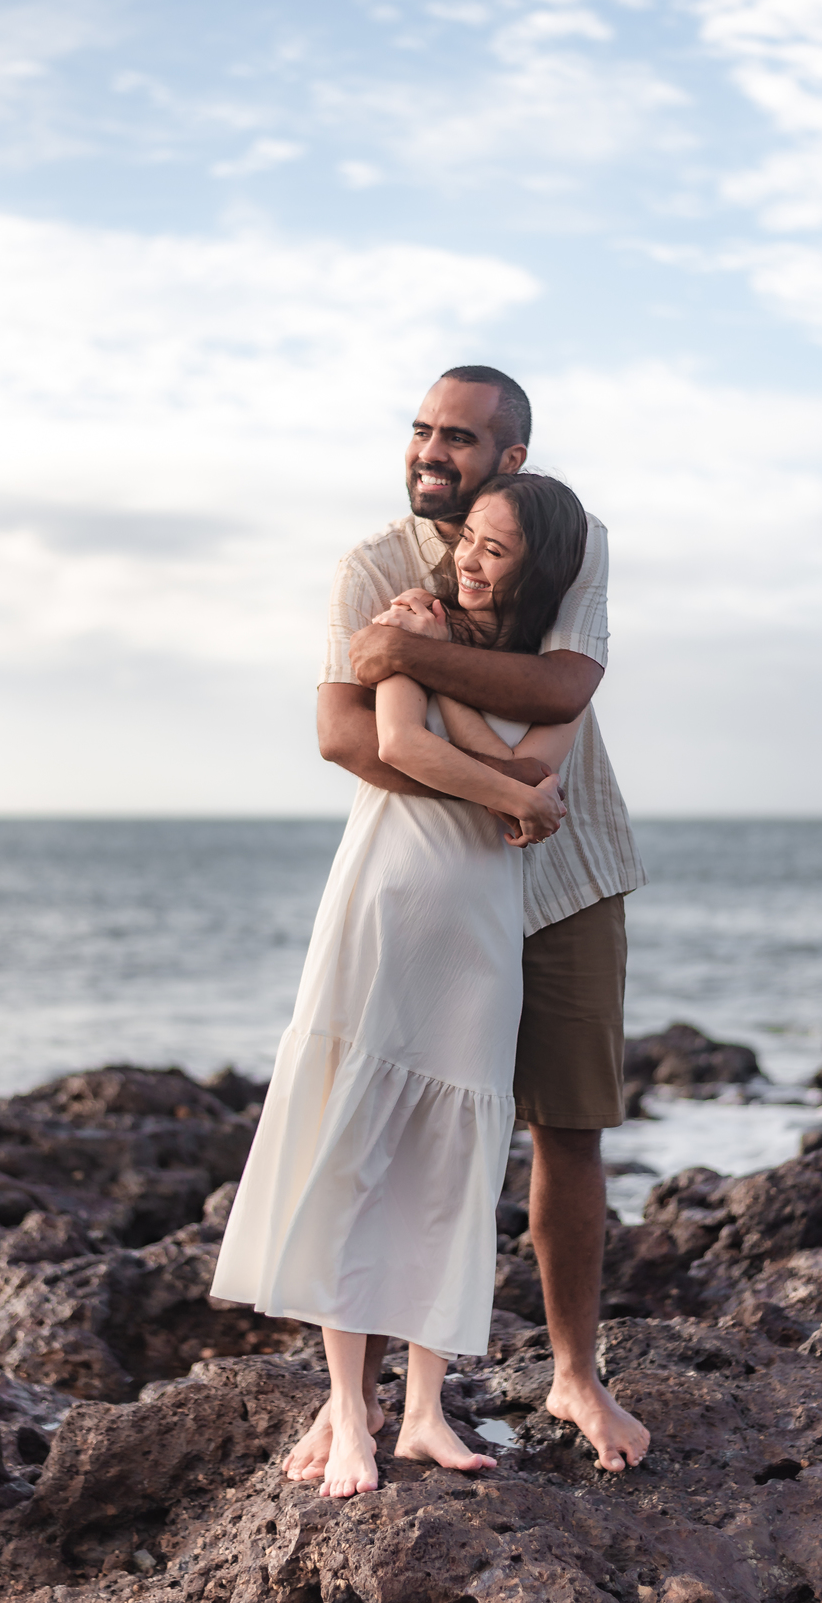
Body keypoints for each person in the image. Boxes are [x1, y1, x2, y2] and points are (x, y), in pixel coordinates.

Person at [282, 366, 649, 1480]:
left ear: (511, 459)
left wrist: (408, 657)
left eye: (462, 437)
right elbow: (349, 738)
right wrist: (503, 796)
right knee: (387, 1121)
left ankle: (574, 1373)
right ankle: (352, 1397)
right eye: (423, 430)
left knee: (567, 1127)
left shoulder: (570, 538)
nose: (433, 450)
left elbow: (564, 686)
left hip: (571, 875)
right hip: (443, 884)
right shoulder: (372, 568)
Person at [212, 471, 598, 1498]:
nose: (470, 558)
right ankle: (350, 1410)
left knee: (452, 1162)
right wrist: (505, 775)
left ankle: (424, 1407)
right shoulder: (405, 617)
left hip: (481, 921)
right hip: (388, 898)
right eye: (468, 537)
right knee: (359, 1147)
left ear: (539, 568)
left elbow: (540, 767)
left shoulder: (525, 667)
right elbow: (396, 743)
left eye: (497, 548)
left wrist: (465, 710)